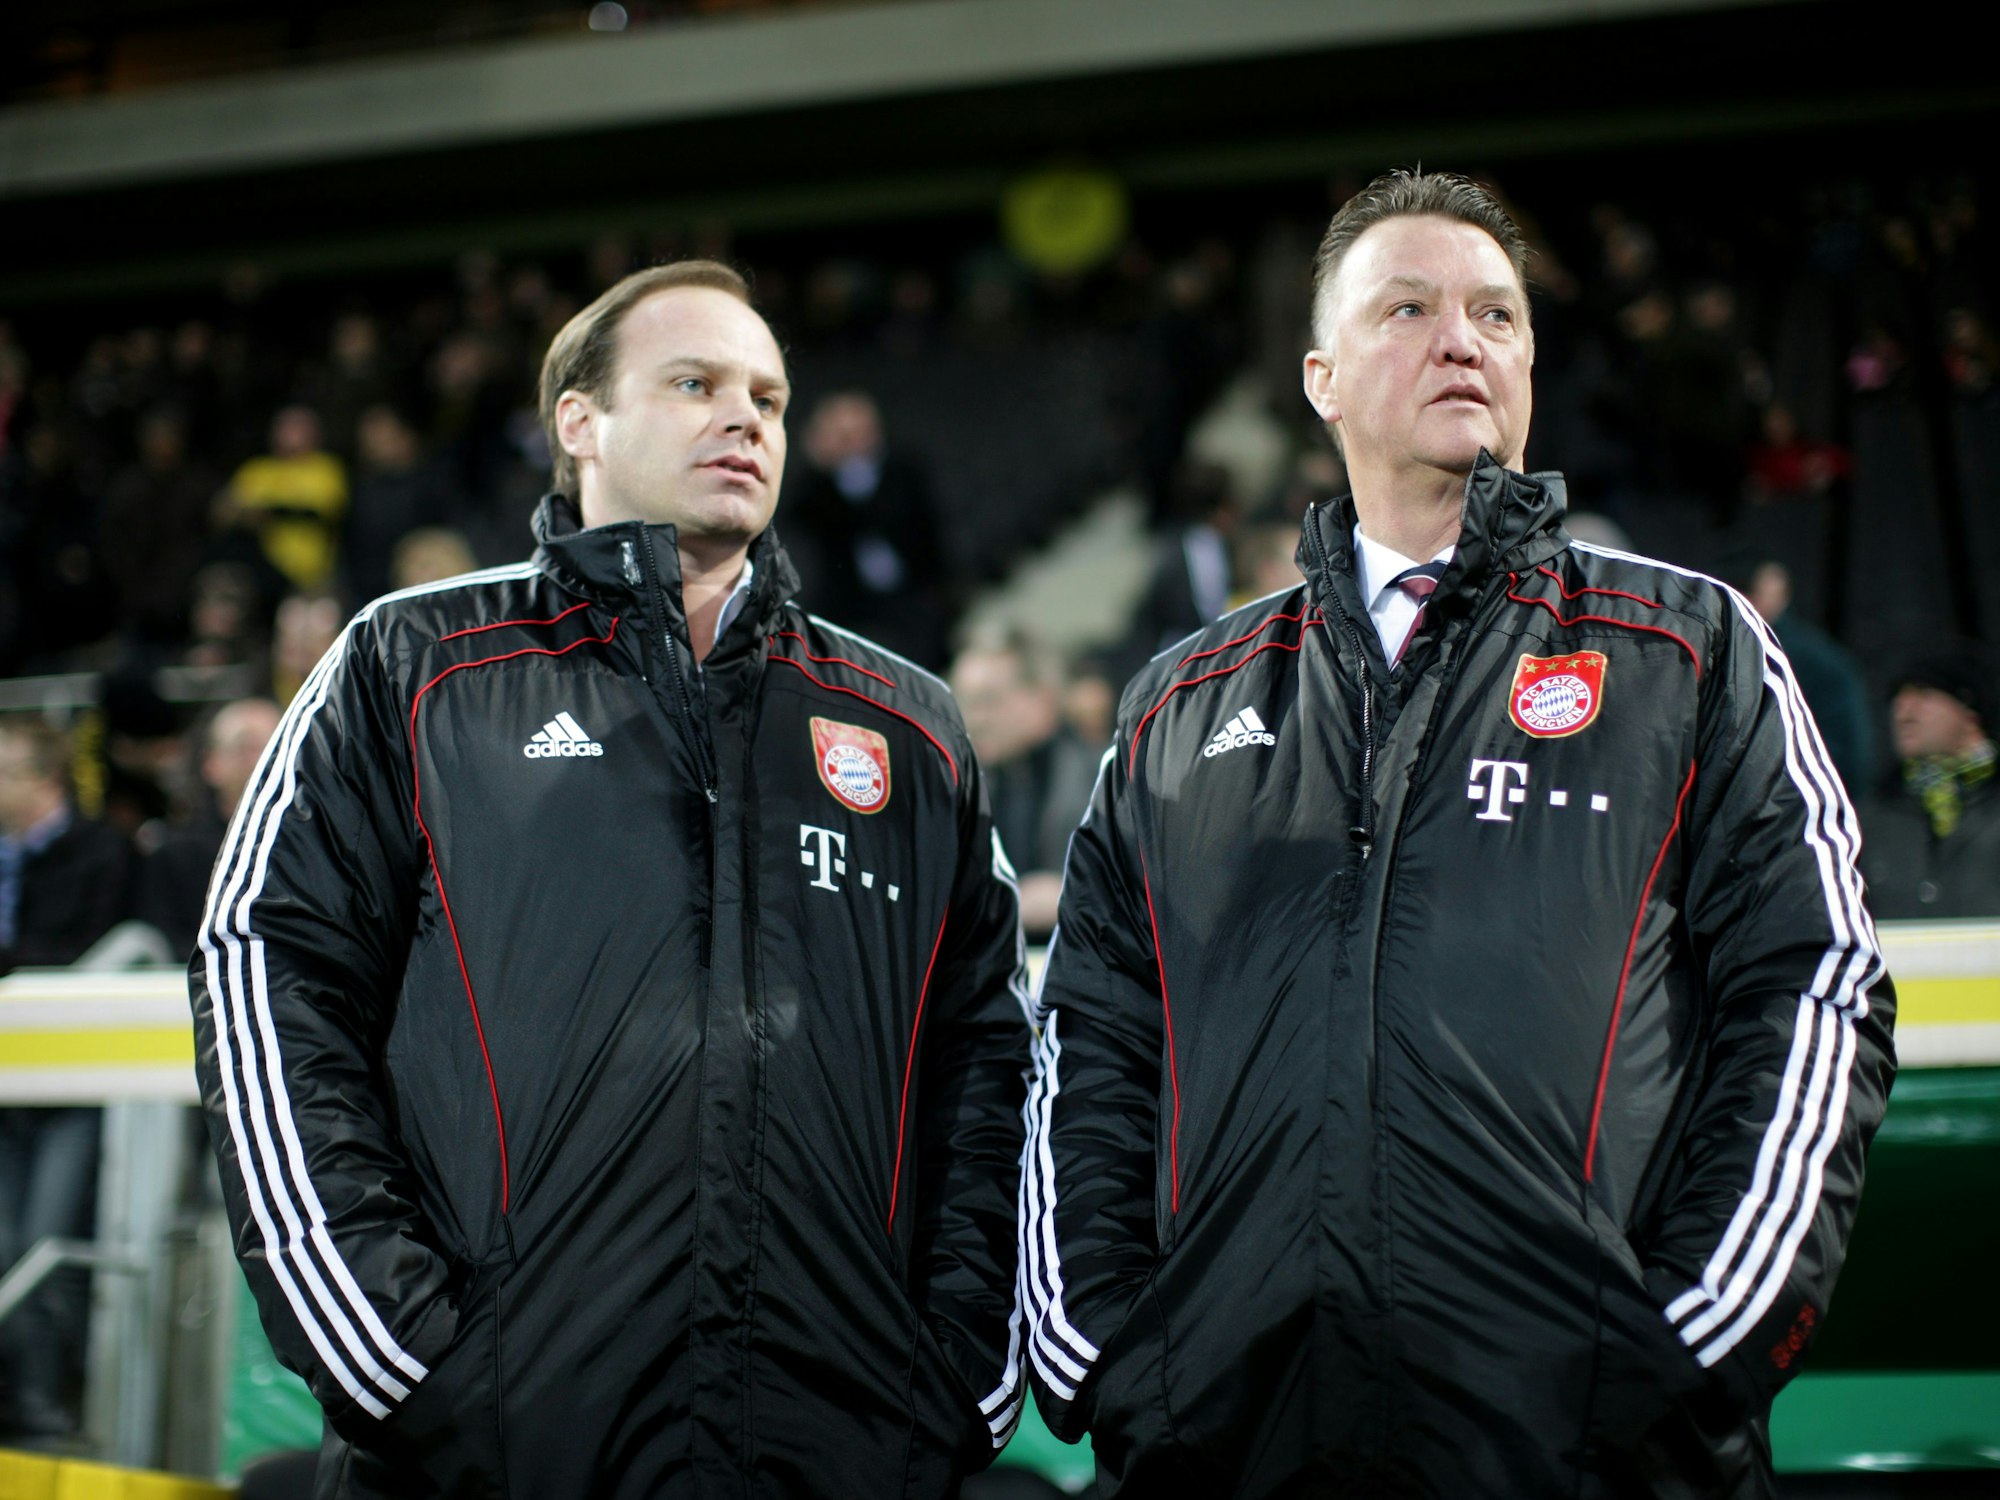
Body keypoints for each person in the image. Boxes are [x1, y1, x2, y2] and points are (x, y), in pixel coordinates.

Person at [1021, 171, 1895, 1497]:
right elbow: (1090, 1042)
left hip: (1588, 1448)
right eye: (1409, 307)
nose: (1462, 338)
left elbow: (1816, 989)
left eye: (1497, 313)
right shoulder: (1179, 706)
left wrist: (1680, 1353)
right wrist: (1115, 1362)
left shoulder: (1689, 647)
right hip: (1229, 1446)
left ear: (1531, 362)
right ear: (1319, 377)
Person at [190, 260, 1031, 1498]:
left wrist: (954, 1371)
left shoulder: (906, 723)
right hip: (488, 1441)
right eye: (693, 383)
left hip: (842, 1438)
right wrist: (402, 1362)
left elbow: (990, 1055)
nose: (744, 417)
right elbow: (267, 970)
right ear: (577, 422)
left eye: (768, 395)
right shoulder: (412, 665)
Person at [0, 718, 134, 1438]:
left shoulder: (100, 851)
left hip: (71, 1082)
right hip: (4, 1083)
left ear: (43, 779)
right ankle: (14, 1397)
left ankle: (50, 1401)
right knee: (3, 1245)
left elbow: (74, 951)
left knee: (46, 1241)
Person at [1859, 645, 2000, 918]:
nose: (1903, 711)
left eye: (1923, 694)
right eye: (1897, 698)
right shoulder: (1867, 819)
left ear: (1970, 712)